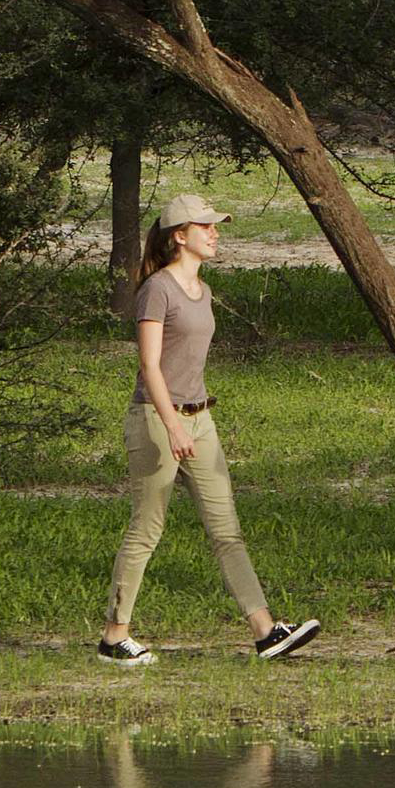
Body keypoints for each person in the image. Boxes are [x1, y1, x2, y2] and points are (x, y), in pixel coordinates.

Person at [95, 194, 318, 666]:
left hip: (201, 418)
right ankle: (115, 636)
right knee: (147, 528)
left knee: (227, 530)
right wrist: (173, 424)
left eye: (216, 226)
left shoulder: (203, 289)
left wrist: (191, 422)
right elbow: (149, 366)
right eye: (206, 226)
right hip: (157, 420)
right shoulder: (158, 289)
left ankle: (265, 631)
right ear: (180, 235)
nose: (215, 233)